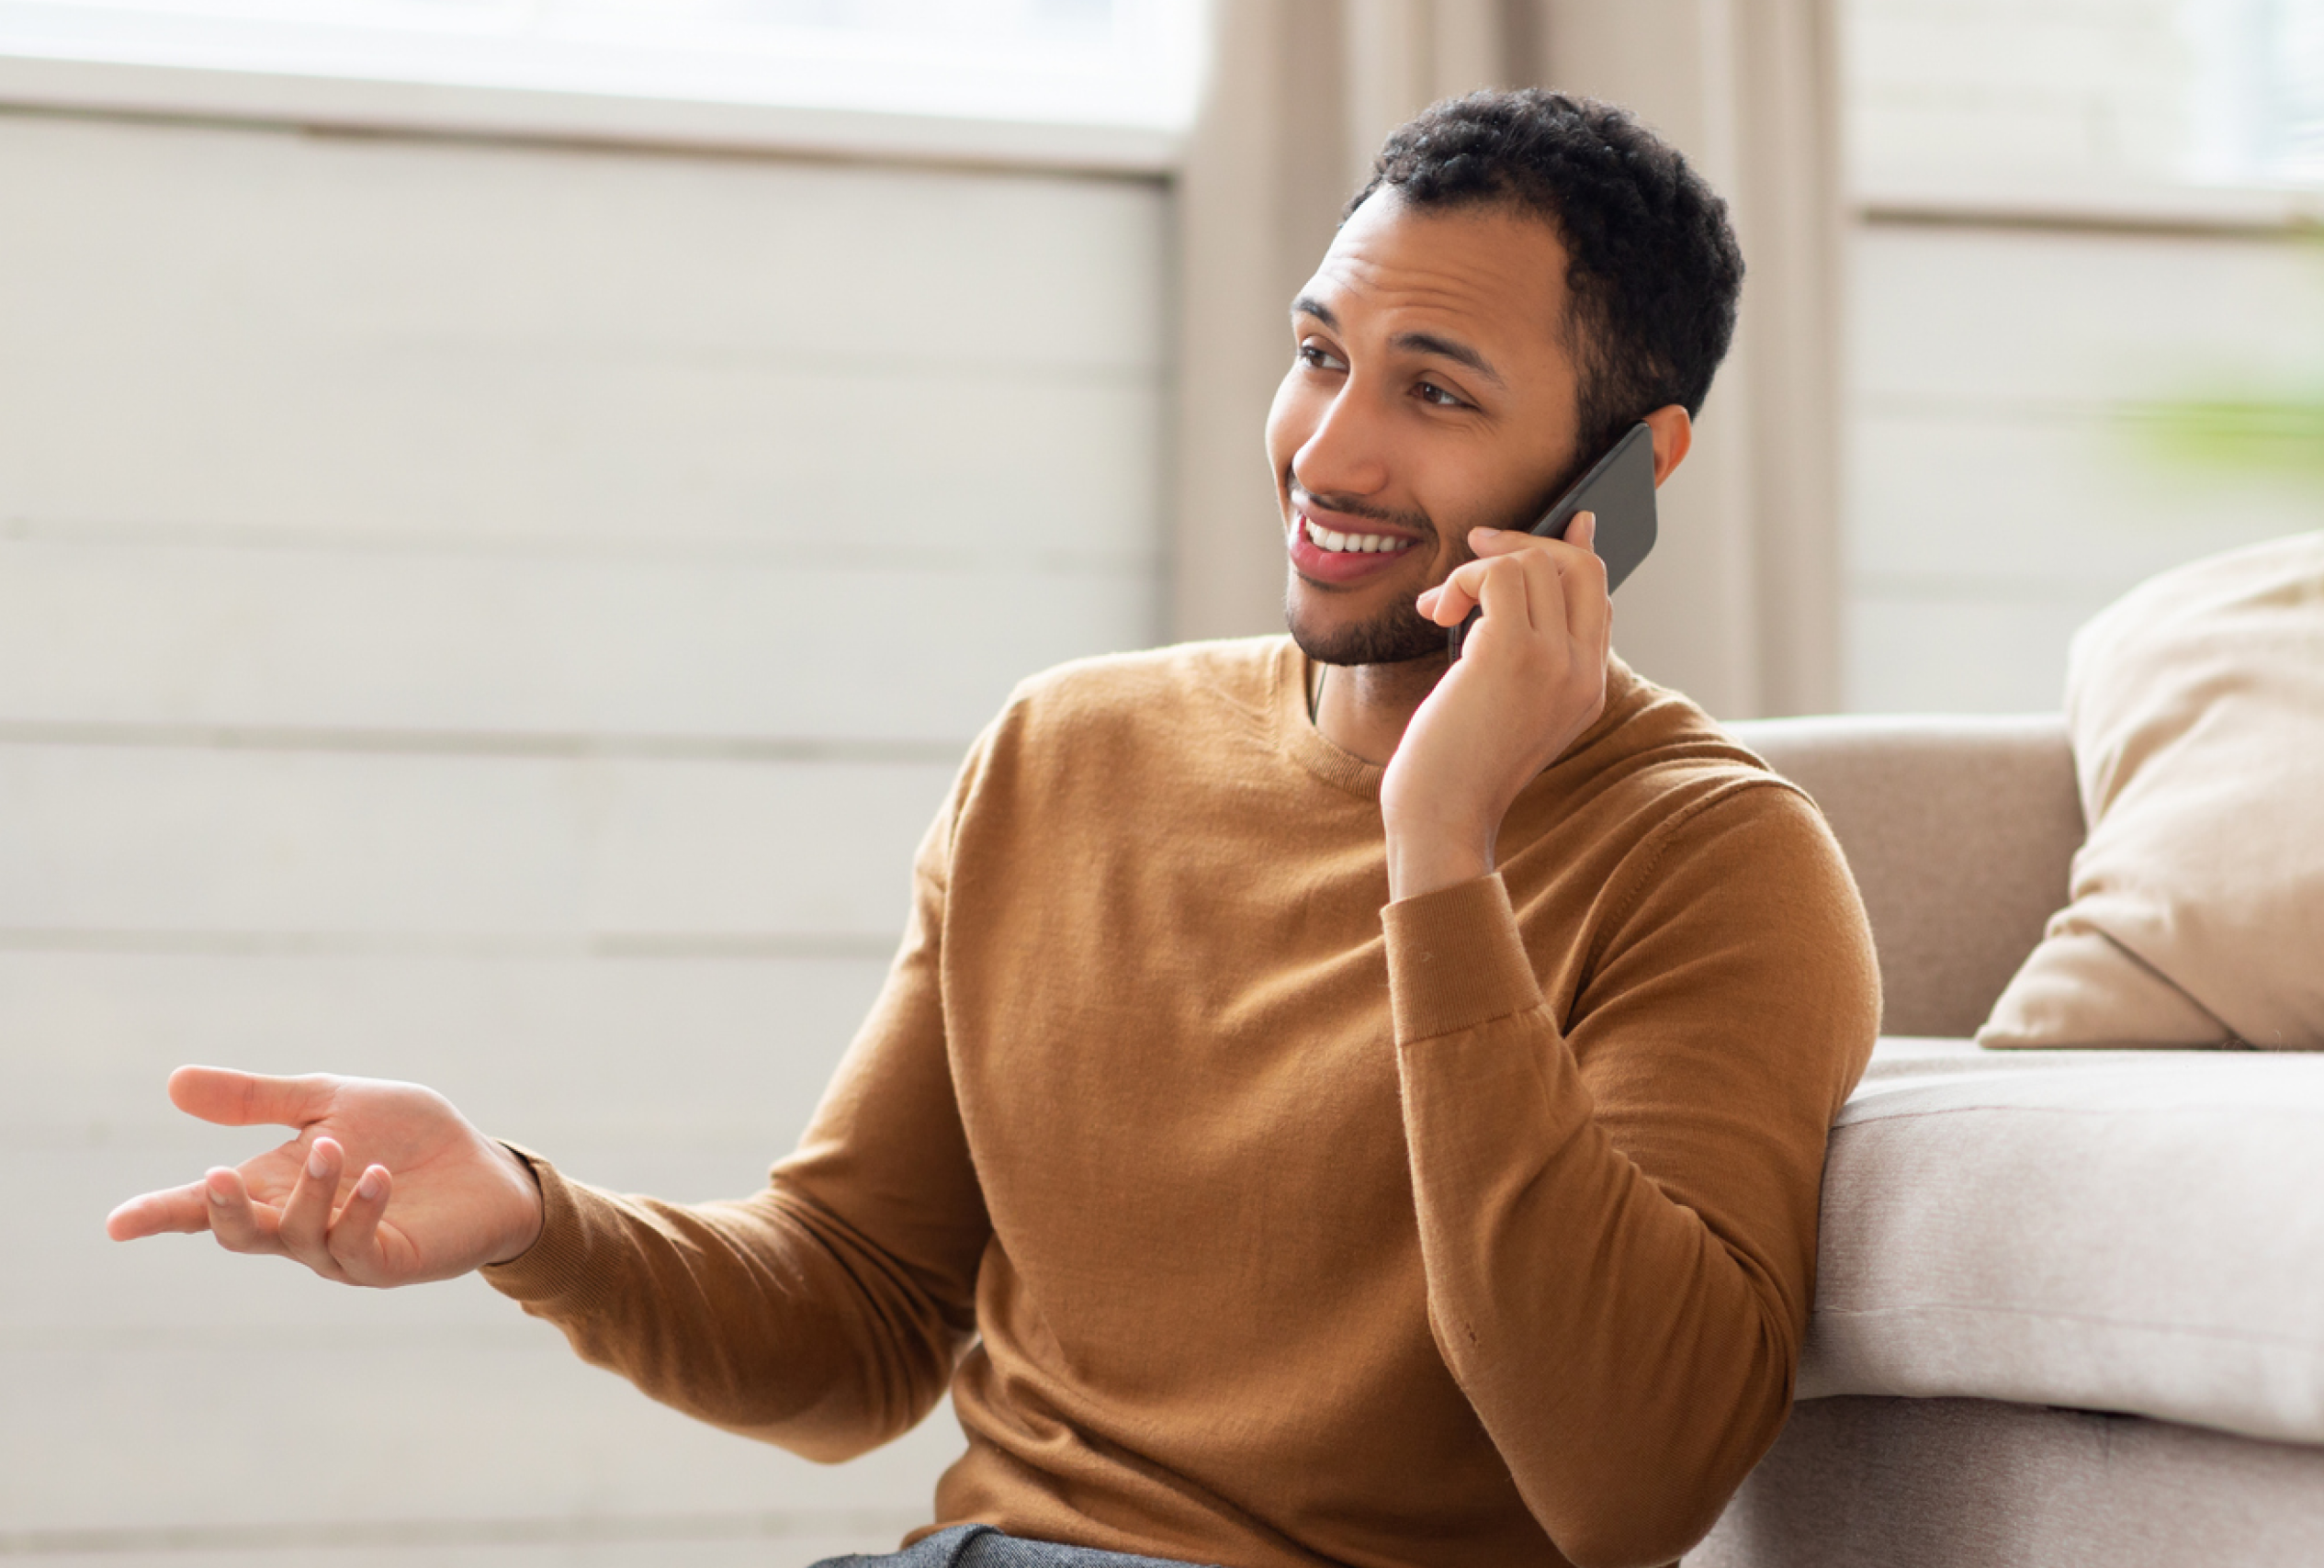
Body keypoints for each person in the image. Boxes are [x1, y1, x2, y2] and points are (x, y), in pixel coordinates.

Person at [107, 90, 1878, 1568]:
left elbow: (1628, 1482)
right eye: (1320, 354)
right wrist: (527, 1216)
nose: (1329, 454)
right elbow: (856, 1318)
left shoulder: (1716, 863)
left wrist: (1440, 846)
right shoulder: (1068, 750)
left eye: (1435, 390)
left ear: (1627, 477)